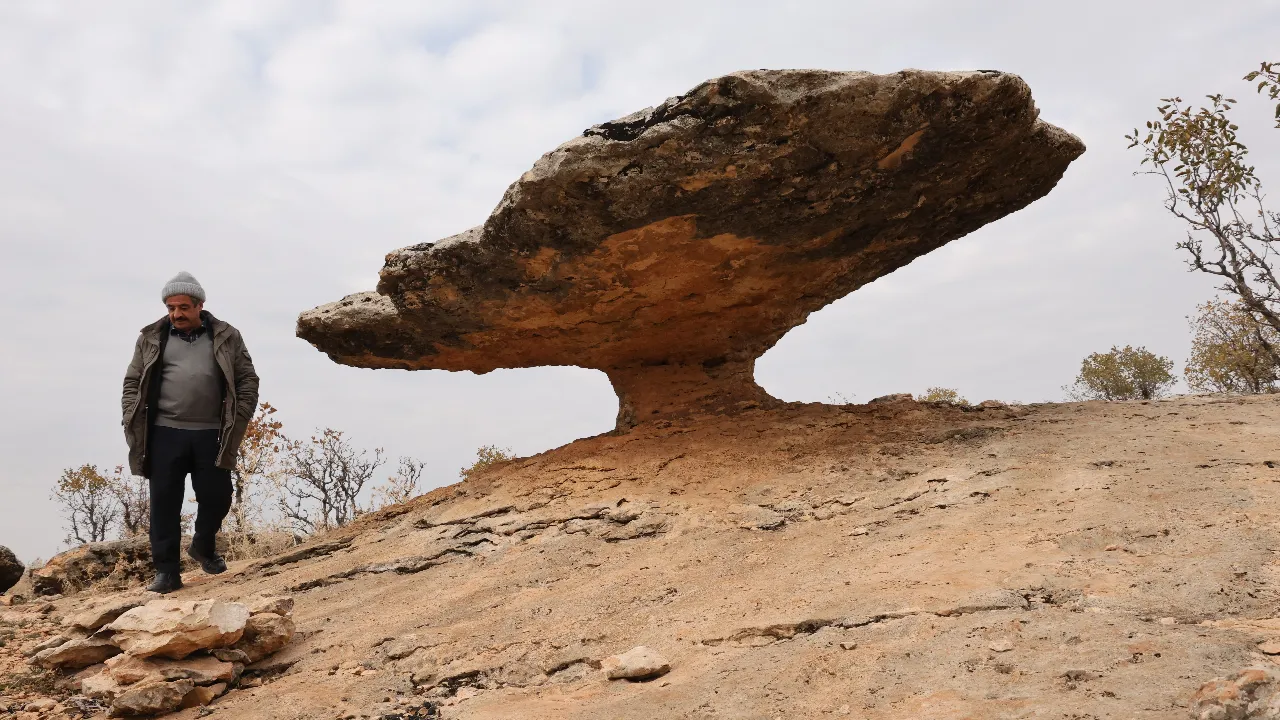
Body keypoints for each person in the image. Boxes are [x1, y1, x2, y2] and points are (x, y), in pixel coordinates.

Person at [121, 272, 259, 593]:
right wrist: (131, 414)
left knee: (218, 497)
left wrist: (238, 420)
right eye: (171, 307)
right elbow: (132, 381)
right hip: (164, 434)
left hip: (210, 433)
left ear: (199, 305)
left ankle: (203, 545)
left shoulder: (226, 336)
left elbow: (247, 380)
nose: (176, 314)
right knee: (164, 504)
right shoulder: (151, 338)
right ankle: (167, 572)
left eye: (183, 307)